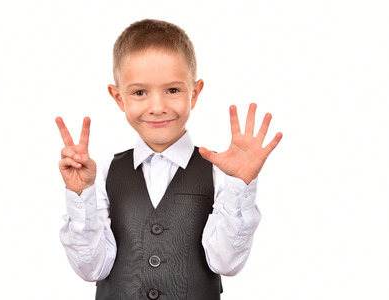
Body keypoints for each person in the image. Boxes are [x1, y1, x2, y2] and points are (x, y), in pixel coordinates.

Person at [56, 19, 282, 300]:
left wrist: (242, 185)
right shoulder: (102, 175)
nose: (158, 107)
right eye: (140, 92)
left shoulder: (220, 174)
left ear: (194, 93)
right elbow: (92, 268)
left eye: (172, 90)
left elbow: (226, 264)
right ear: (118, 97)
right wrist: (80, 194)